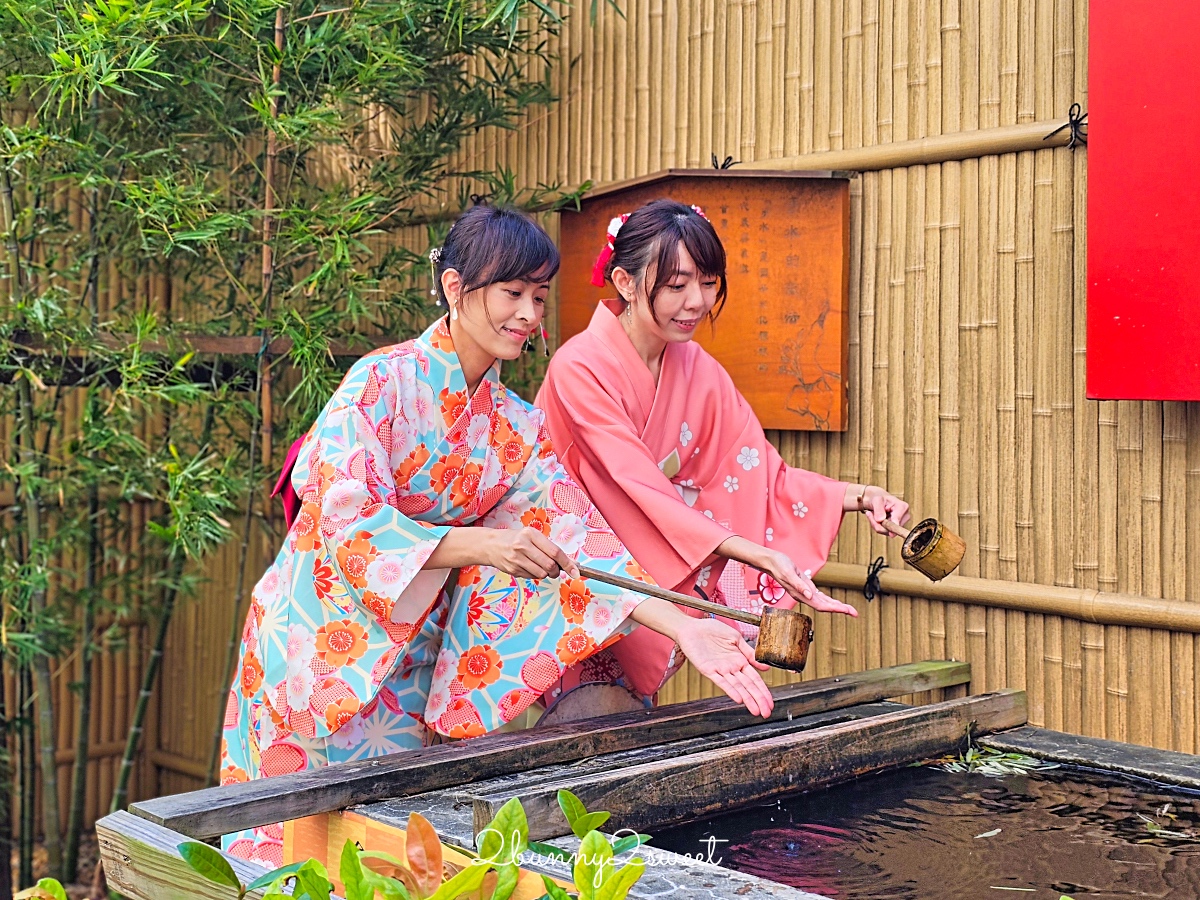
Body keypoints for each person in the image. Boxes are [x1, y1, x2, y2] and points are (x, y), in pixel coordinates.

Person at [220, 204, 774, 867]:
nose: (528, 314)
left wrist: (682, 625)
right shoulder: (381, 383)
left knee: (386, 847)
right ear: (455, 289)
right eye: (512, 293)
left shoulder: (514, 424)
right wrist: (481, 546)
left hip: (409, 656)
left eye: (538, 297)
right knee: (289, 844)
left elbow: (580, 543)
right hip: (315, 640)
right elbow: (346, 514)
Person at [535, 199, 910, 710]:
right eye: (676, 284)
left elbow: (758, 473)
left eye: (708, 282)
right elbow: (637, 486)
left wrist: (862, 497)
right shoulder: (579, 367)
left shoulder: (696, 367)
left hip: (642, 576)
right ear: (624, 282)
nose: (697, 301)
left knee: (619, 747)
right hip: (577, 572)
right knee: (581, 735)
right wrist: (753, 553)